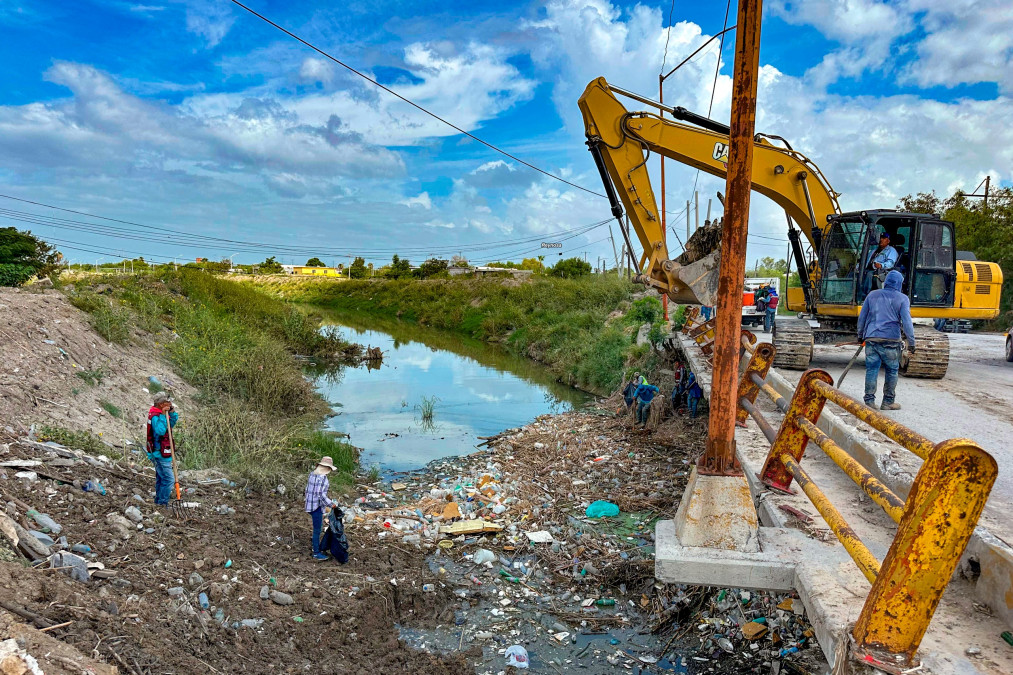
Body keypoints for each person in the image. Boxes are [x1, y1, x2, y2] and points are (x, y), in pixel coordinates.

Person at [857, 270, 916, 411]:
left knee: (872, 369)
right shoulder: (902, 299)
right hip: (891, 341)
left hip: (872, 339)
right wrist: (911, 342)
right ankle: (888, 402)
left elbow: (862, 318)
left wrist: (860, 335)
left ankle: (869, 401)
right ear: (899, 284)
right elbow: (907, 322)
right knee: (892, 370)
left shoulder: (872, 295)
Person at [146, 392, 178, 506]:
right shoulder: (156, 415)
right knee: (169, 479)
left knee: (161, 478)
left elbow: (171, 424)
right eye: (167, 402)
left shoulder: (162, 413)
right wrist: (164, 415)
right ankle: (163, 503)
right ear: (161, 404)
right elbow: (160, 431)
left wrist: (172, 413)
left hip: (165, 452)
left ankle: (158, 501)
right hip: (158, 453)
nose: (170, 404)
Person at [305, 457, 338, 561]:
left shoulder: (312, 474)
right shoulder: (322, 478)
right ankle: (316, 553)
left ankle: (316, 545)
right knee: (317, 530)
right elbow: (320, 494)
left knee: (316, 528)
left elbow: (308, 489)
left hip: (310, 505)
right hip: (317, 507)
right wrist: (331, 504)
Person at [861, 232, 898, 300]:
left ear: (888, 241)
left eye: (883, 238)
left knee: (869, 274)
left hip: (880, 271)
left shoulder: (891, 250)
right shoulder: (873, 251)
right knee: (855, 273)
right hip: (867, 268)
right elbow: (865, 261)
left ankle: (865, 295)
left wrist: (881, 265)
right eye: (880, 238)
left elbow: (891, 263)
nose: (881, 240)